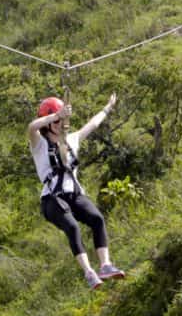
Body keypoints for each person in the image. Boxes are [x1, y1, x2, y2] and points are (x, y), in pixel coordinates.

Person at [29, 95, 125, 290]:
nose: (58, 123)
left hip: (74, 194)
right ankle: (89, 272)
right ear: (48, 123)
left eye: (61, 120)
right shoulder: (39, 144)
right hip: (52, 199)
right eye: (55, 120)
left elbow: (93, 124)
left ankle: (105, 265)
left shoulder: (72, 139)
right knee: (72, 227)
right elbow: (32, 127)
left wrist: (108, 107)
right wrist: (56, 114)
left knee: (97, 219)